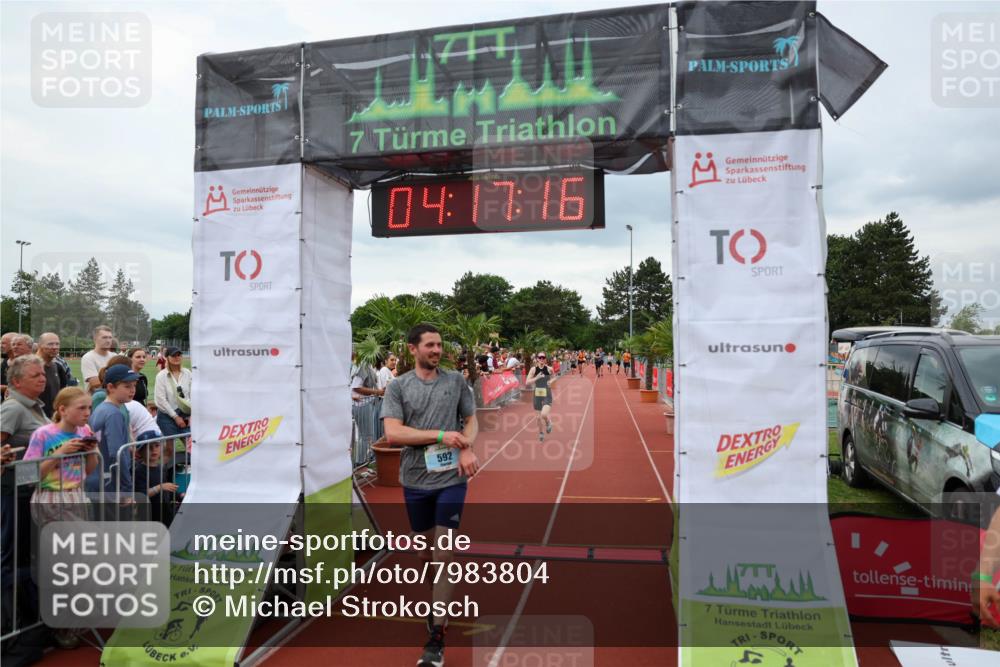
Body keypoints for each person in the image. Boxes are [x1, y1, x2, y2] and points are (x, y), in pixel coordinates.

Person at [381, 324, 479, 667]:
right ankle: (437, 597)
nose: (436, 350)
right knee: (426, 555)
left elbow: (471, 420)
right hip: (415, 481)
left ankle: (436, 635)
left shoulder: (455, 381)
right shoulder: (398, 387)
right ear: (413, 349)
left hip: (452, 479)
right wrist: (440, 435)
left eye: (439, 345)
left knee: (445, 551)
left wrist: (465, 445)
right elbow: (392, 433)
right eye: (430, 345)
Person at [1, 355, 51, 637]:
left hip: (30, 489)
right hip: (14, 491)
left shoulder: (35, 408)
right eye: (36, 375)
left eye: (42, 374)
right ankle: (11, 620)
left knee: (24, 550)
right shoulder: (13, 408)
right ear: (17, 382)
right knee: (12, 551)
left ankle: (26, 615)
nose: (42, 378)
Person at [36, 333, 77, 417]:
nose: (55, 347)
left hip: (52, 418)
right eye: (50, 344)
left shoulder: (57, 367)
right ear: (40, 345)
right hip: (34, 418)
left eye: (57, 344)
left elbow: (61, 394)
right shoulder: (29, 366)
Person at [154, 347, 192, 438]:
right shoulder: (161, 376)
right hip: (167, 416)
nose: (177, 357)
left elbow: (192, 395)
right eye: (173, 355)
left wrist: (192, 415)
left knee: (190, 446)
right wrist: (175, 417)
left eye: (179, 355)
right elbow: (161, 400)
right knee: (170, 448)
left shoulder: (188, 373)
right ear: (167, 358)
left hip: (185, 415)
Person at [526, 352, 555, 441]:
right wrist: (536, 378)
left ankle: (548, 422)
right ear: (537, 359)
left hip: (547, 393)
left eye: (543, 358)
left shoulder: (549, 369)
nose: (542, 359)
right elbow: (527, 382)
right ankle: (541, 433)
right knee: (538, 417)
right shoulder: (533, 369)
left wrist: (551, 381)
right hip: (537, 394)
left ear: (545, 359)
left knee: (544, 414)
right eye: (540, 357)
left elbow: (554, 377)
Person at [81, 325, 116, 393]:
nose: (108, 340)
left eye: (110, 337)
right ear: (95, 339)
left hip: (113, 398)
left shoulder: (114, 356)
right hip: (96, 399)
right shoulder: (88, 357)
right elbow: (95, 383)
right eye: (104, 337)